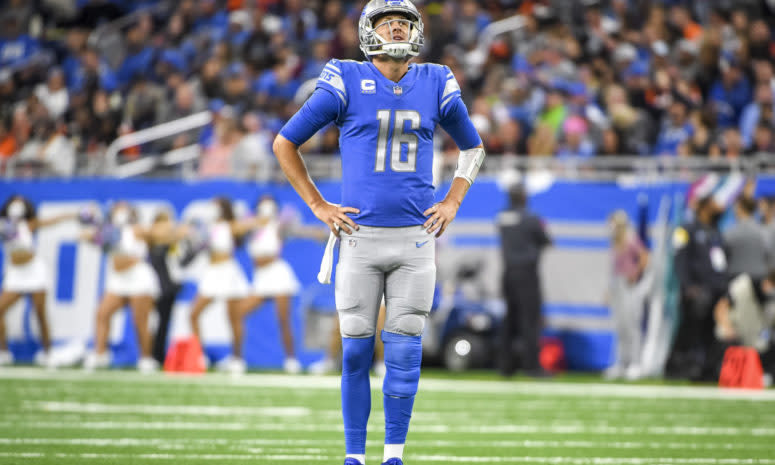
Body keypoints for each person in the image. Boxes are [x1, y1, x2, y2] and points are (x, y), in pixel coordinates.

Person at [272, 1, 484, 464]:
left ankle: (393, 455)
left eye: (404, 21)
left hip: (414, 240)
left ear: (417, 31)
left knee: (405, 357)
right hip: (359, 238)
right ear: (369, 32)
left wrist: (452, 200)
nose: (396, 27)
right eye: (387, 21)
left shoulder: (435, 80)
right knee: (354, 354)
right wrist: (317, 204)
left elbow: (473, 147)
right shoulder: (345, 77)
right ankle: (354, 456)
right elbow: (285, 141)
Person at [227, 195, 321, 374]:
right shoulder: (251, 226)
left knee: (283, 320)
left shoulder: (277, 225)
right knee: (237, 313)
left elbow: (297, 230)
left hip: (278, 275)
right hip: (261, 278)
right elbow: (234, 230)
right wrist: (255, 222)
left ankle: (291, 360)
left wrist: (313, 232)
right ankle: (237, 358)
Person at [81, 202, 162, 373]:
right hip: (118, 280)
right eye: (118, 208)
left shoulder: (136, 229)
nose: (120, 211)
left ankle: (146, 359)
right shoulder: (108, 230)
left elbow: (155, 234)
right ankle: (100, 354)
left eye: (124, 208)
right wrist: (96, 225)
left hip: (138, 278)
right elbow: (85, 236)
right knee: (102, 313)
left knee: (140, 321)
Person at [0, 195, 75, 367]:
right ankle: (3, 352)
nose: (17, 205)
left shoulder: (30, 224)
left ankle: (48, 352)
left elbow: (52, 221)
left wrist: (70, 215)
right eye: (14, 202)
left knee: (40, 313)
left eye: (21, 202)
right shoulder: (3, 224)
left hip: (34, 272)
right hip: (15, 274)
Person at [188, 197, 256, 367]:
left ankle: (237, 358)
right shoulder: (206, 227)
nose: (213, 208)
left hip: (228, 271)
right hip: (212, 272)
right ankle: (200, 356)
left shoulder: (230, 226)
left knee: (233, 318)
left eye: (216, 206)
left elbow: (248, 225)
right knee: (194, 313)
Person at [667, 195, 729, 380]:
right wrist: (688, 286)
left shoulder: (715, 230)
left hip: (714, 291)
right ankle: (678, 367)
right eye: (712, 204)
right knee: (689, 331)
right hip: (695, 293)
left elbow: (720, 262)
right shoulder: (685, 229)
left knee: (710, 333)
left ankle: (706, 368)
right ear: (703, 207)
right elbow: (679, 259)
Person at [495, 184, 551, 377]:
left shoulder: (502, 217)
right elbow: (546, 240)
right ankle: (531, 366)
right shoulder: (531, 218)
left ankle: (506, 366)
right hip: (527, 274)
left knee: (510, 319)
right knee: (530, 320)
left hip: (508, 273)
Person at [604, 210, 650, 380]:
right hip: (617, 284)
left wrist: (636, 273)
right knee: (619, 326)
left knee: (632, 324)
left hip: (629, 285)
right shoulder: (614, 242)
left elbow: (645, 256)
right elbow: (613, 269)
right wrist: (609, 291)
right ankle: (621, 363)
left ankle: (636, 363)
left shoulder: (630, 238)